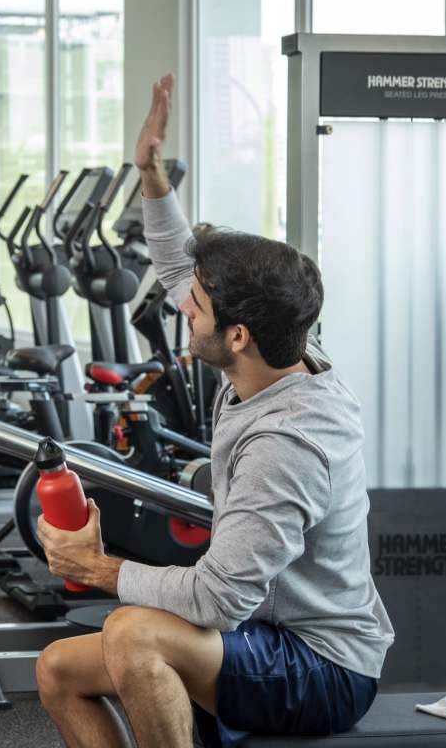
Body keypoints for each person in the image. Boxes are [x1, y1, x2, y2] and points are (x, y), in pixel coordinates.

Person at [34, 74, 394, 748]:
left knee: (132, 632)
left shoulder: (287, 442)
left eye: (196, 307)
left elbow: (216, 602)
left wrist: (99, 569)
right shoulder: (275, 353)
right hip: (265, 628)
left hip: (321, 665)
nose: (181, 307)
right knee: (57, 670)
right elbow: (178, 267)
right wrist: (150, 176)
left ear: (236, 336)